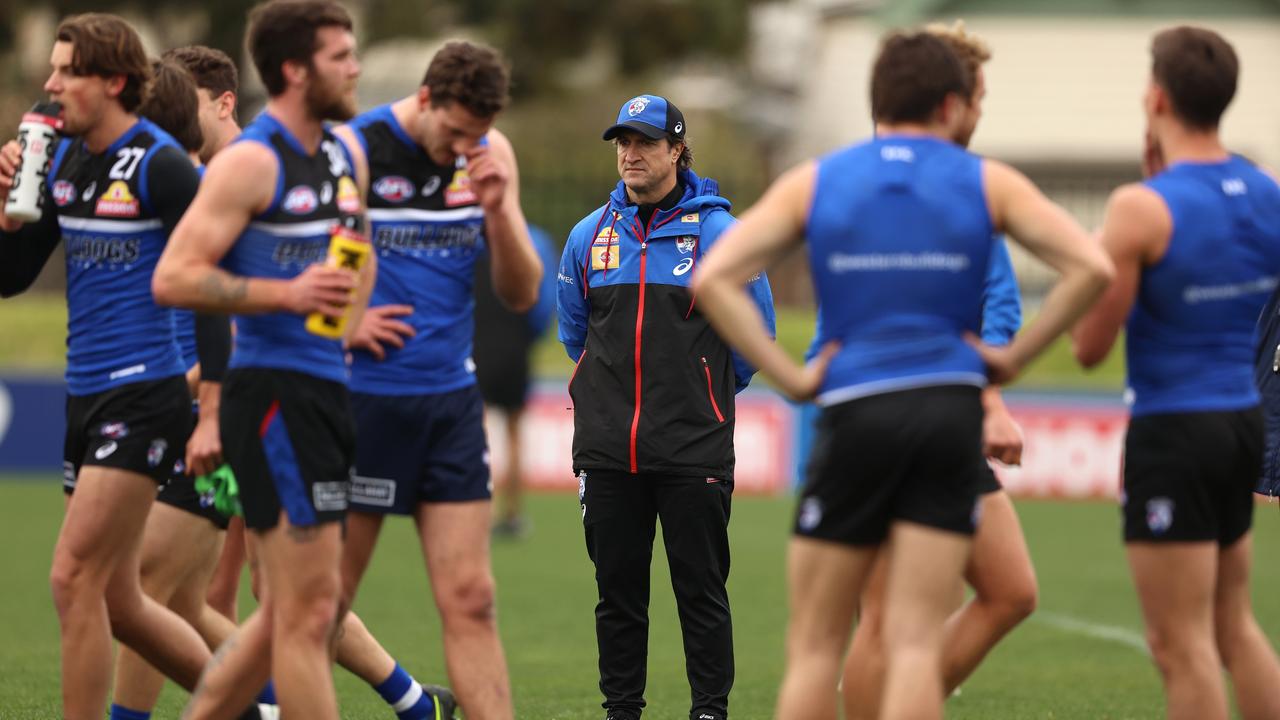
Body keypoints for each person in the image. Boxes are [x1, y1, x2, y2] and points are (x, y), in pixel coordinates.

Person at [691, 31, 1111, 720]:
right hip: (946, 415)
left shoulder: (818, 179)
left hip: (856, 413)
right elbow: (1091, 268)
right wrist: (1011, 359)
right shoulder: (984, 180)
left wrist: (791, 379)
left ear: (875, 99)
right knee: (915, 644)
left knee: (818, 645)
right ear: (950, 105)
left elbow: (714, 279)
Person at [0, 14, 239, 720]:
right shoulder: (66, 161)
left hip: (146, 397)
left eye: (66, 70)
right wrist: (8, 216)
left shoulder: (161, 164)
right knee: (119, 599)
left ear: (112, 82)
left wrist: (215, 414)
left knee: (73, 577)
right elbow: (11, 278)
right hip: (84, 398)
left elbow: (213, 290)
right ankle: (252, 711)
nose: (48, 84)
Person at [151, 2, 374, 717]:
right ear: (293, 70)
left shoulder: (345, 154)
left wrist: (350, 310)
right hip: (270, 398)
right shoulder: (251, 161)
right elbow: (176, 277)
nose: (355, 67)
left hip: (327, 391)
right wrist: (286, 294)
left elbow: (356, 256)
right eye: (340, 56)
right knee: (305, 614)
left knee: (295, 610)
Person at [1071, 26, 1280, 720]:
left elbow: (1090, 345)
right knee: (1234, 627)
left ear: (1156, 98)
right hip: (1242, 421)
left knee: (1180, 643)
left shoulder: (1140, 207)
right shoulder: (1264, 191)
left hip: (1174, 430)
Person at [335, 40, 540, 720]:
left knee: (473, 599)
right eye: (453, 132)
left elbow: (520, 292)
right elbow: (298, 261)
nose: (462, 148)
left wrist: (500, 210)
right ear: (424, 100)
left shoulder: (489, 155)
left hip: (451, 406)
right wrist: (346, 323)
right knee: (322, 605)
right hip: (364, 404)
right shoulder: (359, 149)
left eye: (474, 136)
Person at [840, 22, 1039, 719]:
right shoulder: (966, 188)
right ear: (951, 99)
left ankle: (903, 694)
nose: (981, 111)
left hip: (874, 414)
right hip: (927, 414)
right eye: (980, 95)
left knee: (1006, 591)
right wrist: (991, 399)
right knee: (898, 622)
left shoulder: (853, 178)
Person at [557, 94, 776, 720]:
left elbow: (753, 339)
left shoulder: (718, 232)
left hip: (692, 446)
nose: (630, 154)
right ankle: (621, 709)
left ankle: (710, 710)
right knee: (617, 593)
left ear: (677, 150)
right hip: (607, 449)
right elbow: (576, 335)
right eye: (623, 142)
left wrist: (698, 393)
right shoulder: (588, 235)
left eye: (646, 143)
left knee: (700, 590)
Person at [108, 57, 248, 720]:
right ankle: (407, 699)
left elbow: (247, 311)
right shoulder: (191, 175)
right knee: (187, 604)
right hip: (200, 415)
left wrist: (191, 387)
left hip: (220, 417)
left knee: (142, 592)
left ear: (221, 102)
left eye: (180, 101)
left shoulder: (244, 173)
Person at [474, 223, 558, 538]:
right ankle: (513, 512)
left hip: (477, 340)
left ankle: (483, 507)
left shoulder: (472, 235)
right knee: (514, 432)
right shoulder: (536, 240)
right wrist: (528, 338)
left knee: (477, 431)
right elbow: (546, 302)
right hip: (514, 341)